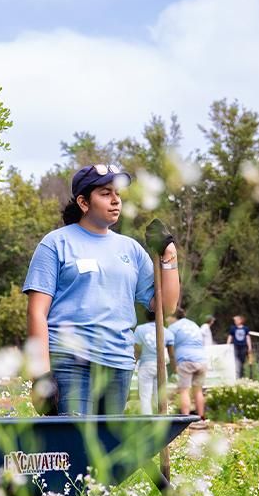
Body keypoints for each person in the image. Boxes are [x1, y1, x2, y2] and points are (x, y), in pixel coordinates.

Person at [24, 164, 180, 415]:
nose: (116, 200)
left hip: (118, 364)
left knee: (106, 450)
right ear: (84, 202)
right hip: (71, 364)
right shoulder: (56, 243)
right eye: (106, 193)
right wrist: (41, 374)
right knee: (73, 448)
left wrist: (169, 255)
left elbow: (166, 307)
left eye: (117, 193)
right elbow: (36, 313)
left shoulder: (131, 249)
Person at [166, 307, 207, 419]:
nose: (166, 319)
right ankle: (201, 418)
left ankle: (185, 419)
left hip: (185, 360)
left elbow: (168, 345)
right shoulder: (193, 324)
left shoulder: (173, 327)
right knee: (198, 390)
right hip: (201, 360)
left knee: (184, 391)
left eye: (168, 317)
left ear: (173, 317)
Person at [133, 310, 174, 414]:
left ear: (146, 316)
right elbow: (171, 355)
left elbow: (137, 351)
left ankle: (147, 421)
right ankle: (161, 421)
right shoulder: (167, 331)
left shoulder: (140, 329)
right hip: (161, 366)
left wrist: (132, 366)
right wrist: (174, 370)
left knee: (145, 397)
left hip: (146, 366)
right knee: (160, 397)